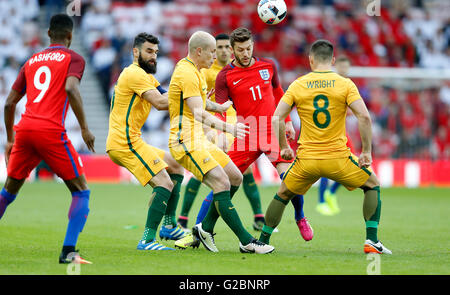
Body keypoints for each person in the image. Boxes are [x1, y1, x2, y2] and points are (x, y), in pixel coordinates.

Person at [259, 40, 392, 254]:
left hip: (307, 160)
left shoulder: (298, 84)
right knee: (372, 185)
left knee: (283, 194)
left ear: (310, 60)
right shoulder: (345, 84)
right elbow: (364, 117)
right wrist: (366, 152)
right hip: (338, 159)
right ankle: (371, 240)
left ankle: (262, 240)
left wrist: (284, 147)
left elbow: (276, 118)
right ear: (332, 60)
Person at [187, 28, 314, 246]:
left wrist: (288, 122)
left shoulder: (268, 66)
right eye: (240, 50)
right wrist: (221, 129)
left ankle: (300, 216)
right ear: (233, 51)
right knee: (223, 181)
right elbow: (222, 108)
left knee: (290, 177)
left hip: (271, 131)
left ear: (253, 45)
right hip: (245, 133)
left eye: (248, 48)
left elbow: (278, 94)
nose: (245, 54)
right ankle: (198, 231)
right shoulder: (224, 76)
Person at [0, 14, 96, 264]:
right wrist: (85, 128)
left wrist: (10, 139)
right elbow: (71, 88)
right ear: (71, 36)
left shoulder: (31, 60)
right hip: (50, 131)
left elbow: (10, 103)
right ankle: (68, 252)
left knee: (8, 192)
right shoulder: (74, 58)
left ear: (48, 34)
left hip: (25, 130)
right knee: (81, 191)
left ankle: (69, 252)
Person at [168, 31, 274, 254]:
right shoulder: (188, 73)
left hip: (199, 139)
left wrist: (219, 107)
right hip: (185, 140)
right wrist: (228, 128)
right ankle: (246, 240)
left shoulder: (195, 71)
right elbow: (198, 113)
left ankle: (204, 228)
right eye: (213, 51)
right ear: (200, 51)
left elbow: (200, 103)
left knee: (235, 177)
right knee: (221, 184)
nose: (216, 56)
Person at [106, 33, 187, 251]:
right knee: (165, 183)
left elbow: (168, 95)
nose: (153, 56)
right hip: (124, 143)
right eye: (149, 51)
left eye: (156, 53)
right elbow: (162, 103)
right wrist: (190, 95)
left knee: (175, 165)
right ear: (135, 52)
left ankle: (169, 226)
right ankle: (147, 240)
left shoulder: (146, 77)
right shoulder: (133, 74)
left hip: (133, 140)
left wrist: (198, 99)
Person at [316, 56, 354, 216]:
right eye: (341, 67)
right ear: (335, 67)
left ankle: (330, 193)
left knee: (350, 163)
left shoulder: (348, 85)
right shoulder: (331, 84)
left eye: (346, 68)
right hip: (329, 132)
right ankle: (322, 202)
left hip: (341, 132)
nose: (344, 70)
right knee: (326, 166)